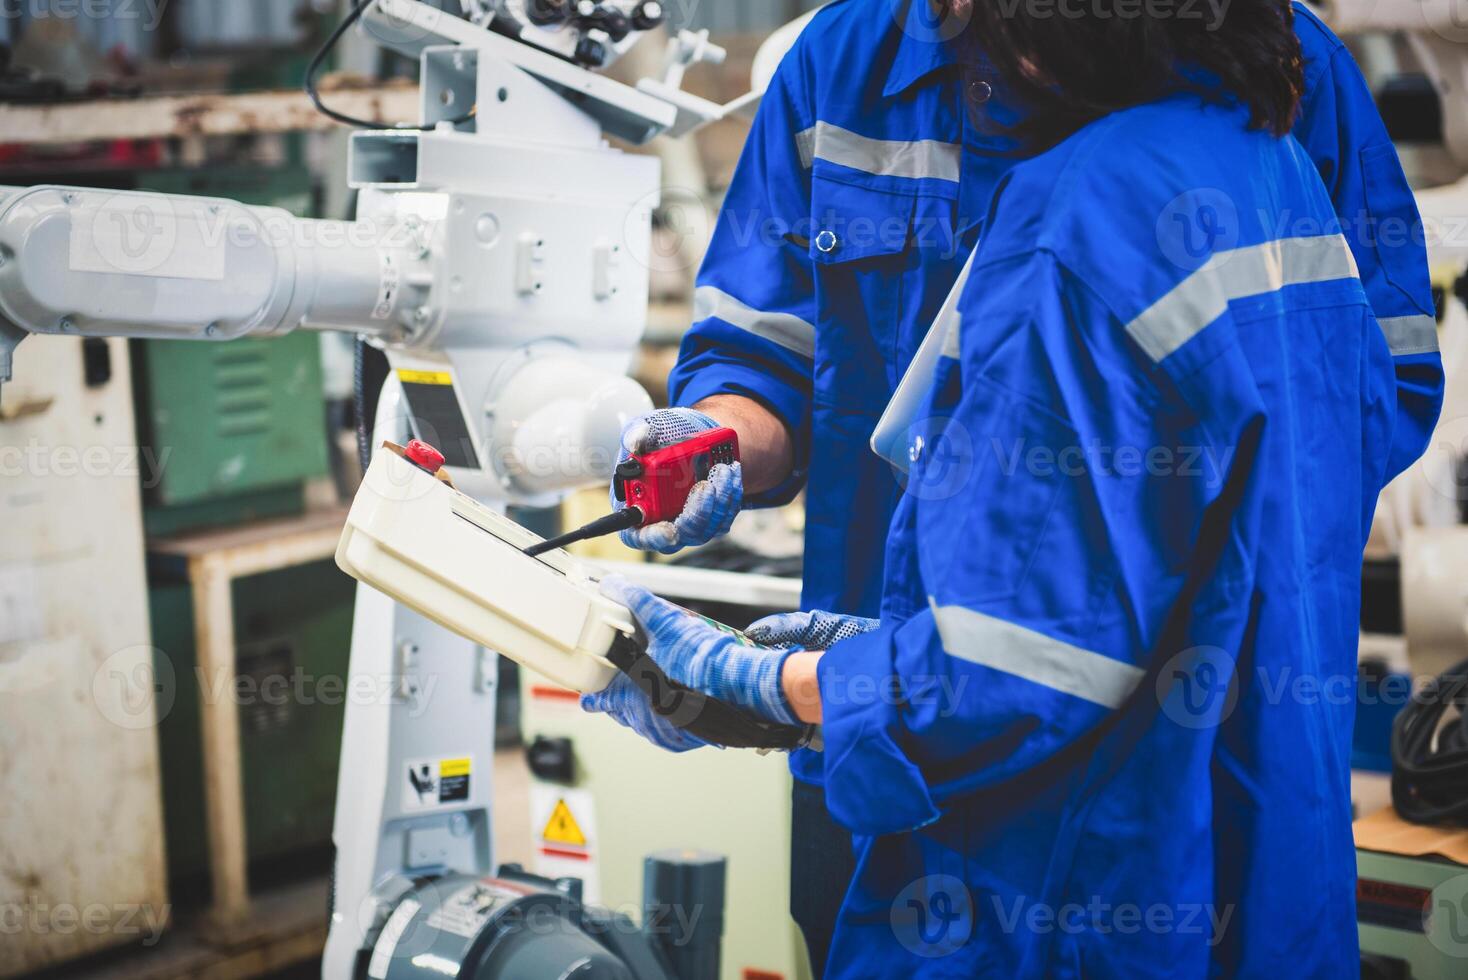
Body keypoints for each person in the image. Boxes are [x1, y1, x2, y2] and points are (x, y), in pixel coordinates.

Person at [588, 0, 1444, 972]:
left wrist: (754, 685)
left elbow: (1020, 664)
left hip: (1026, 815)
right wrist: (723, 440)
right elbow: (766, 348)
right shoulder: (854, 67)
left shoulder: (1123, 184)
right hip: (928, 720)